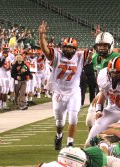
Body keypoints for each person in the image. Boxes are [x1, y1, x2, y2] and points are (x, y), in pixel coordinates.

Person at [38, 20, 91, 149]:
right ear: (62, 47)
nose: (68, 49)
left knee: (73, 118)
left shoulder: (80, 56)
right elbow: (44, 49)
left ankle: (70, 143)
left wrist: (98, 39)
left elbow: (95, 55)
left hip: (74, 92)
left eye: (71, 47)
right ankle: (59, 135)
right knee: (60, 121)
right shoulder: (56, 55)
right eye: (66, 47)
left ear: (75, 49)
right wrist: (41, 35)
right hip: (58, 92)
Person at [85, 57, 120, 147]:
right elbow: (102, 97)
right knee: (92, 136)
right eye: (112, 72)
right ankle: (88, 156)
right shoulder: (103, 77)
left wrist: (119, 123)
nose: (114, 75)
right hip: (113, 108)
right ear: (108, 71)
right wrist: (98, 111)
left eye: (117, 73)